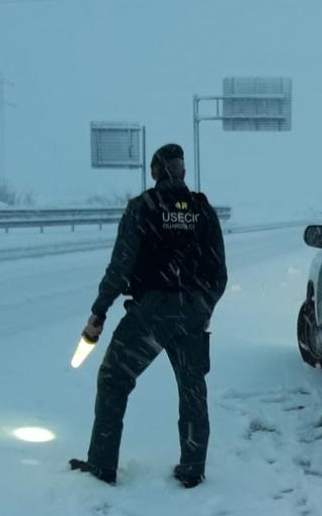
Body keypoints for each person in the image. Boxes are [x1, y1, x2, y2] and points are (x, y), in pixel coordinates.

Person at [69, 143, 227, 488]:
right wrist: (204, 308)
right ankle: (193, 468)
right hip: (193, 312)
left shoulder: (143, 209)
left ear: (155, 172)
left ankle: (102, 464)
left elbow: (120, 266)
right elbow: (220, 273)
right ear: (182, 171)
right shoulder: (202, 210)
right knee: (193, 389)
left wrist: (99, 311)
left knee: (114, 379)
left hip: (151, 311)